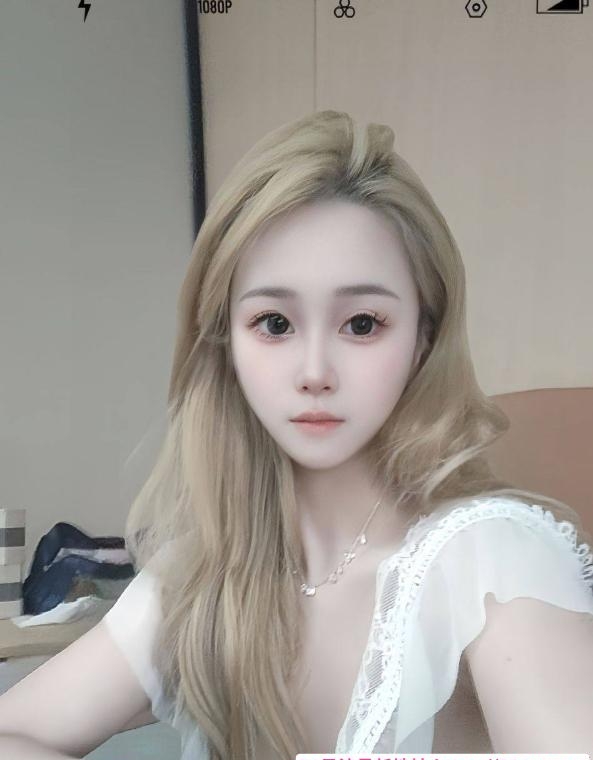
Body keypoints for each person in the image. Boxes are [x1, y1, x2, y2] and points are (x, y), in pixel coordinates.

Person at [1, 110, 593, 760]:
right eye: (275, 324)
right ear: (223, 341)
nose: (314, 372)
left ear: (423, 338)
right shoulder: (202, 580)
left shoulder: (492, 562)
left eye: (362, 324)